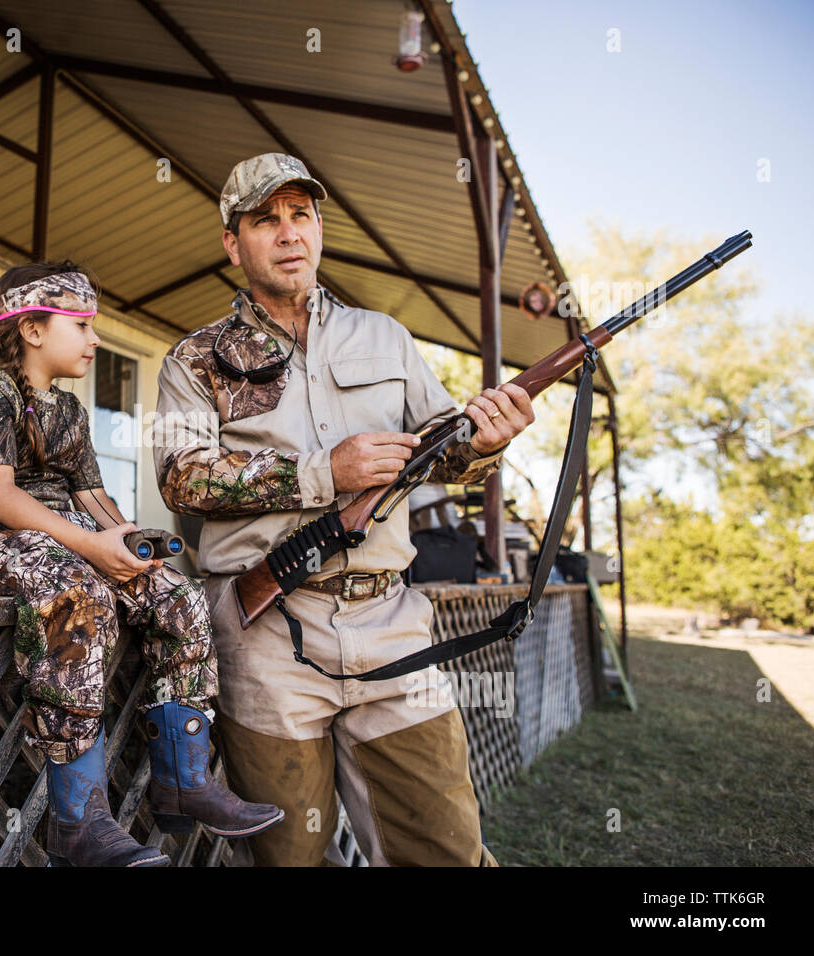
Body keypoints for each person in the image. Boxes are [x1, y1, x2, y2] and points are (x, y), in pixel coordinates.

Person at [152, 153, 536, 866]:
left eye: (302, 215)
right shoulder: (194, 358)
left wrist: (485, 442)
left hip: (392, 622)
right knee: (288, 855)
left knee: (448, 847)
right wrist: (324, 472)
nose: (289, 232)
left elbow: (440, 451)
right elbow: (181, 478)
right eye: (266, 219)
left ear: (320, 228)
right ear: (234, 245)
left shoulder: (385, 337)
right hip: (268, 637)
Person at [0, 260, 284, 867]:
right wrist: (91, 548)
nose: (95, 339)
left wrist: (124, 541)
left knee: (176, 594)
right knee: (79, 591)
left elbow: (94, 501)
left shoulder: (67, 411)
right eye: (82, 324)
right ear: (33, 330)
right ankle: (77, 820)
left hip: (55, 539)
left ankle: (184, 780)